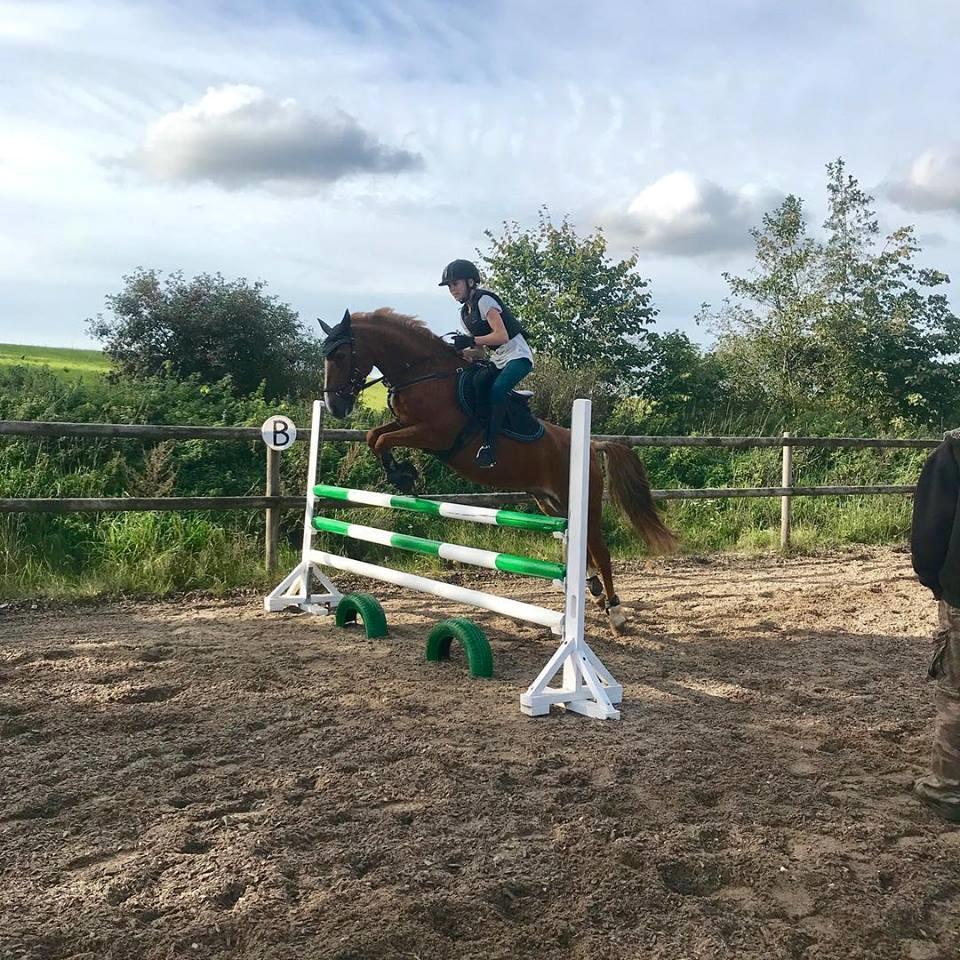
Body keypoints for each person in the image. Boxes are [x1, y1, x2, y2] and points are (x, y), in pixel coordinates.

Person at [438, 259, 534, 468]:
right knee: (476, 383)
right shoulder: (465, 315)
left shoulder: (485, 300)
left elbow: (501, 335)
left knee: (498, 390)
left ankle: (490, 447)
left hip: (518, 356)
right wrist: (459, 352)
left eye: (455, 284)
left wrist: (471, 340)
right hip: (498, 360)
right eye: (449, 287)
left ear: (470, 282)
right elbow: (480, 353)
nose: (452, 290)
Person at [910, 430, 960, 823]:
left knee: (957, 694)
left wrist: (937, 582)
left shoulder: (955, 450)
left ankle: (947, 790)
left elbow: (931, 529)